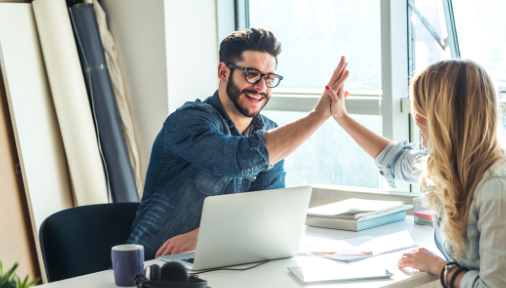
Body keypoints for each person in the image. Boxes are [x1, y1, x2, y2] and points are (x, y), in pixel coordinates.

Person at [324, 59, 506, 288]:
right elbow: (397, 160)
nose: (416, 119)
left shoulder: (499, 185)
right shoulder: (451, 167)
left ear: (447, 118)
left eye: (422, 111)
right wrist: (342, 117)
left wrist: (440, 268)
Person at [127, 28, 350, 260]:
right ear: (223, 72)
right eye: (252, 74)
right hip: (149, 272)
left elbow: (266, 212)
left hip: (223, 267)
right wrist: (317, 116)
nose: (261, 87)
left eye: (269, 78)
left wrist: (206, 234)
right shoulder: (188, 121)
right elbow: (236, 158)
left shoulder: (271, 134)